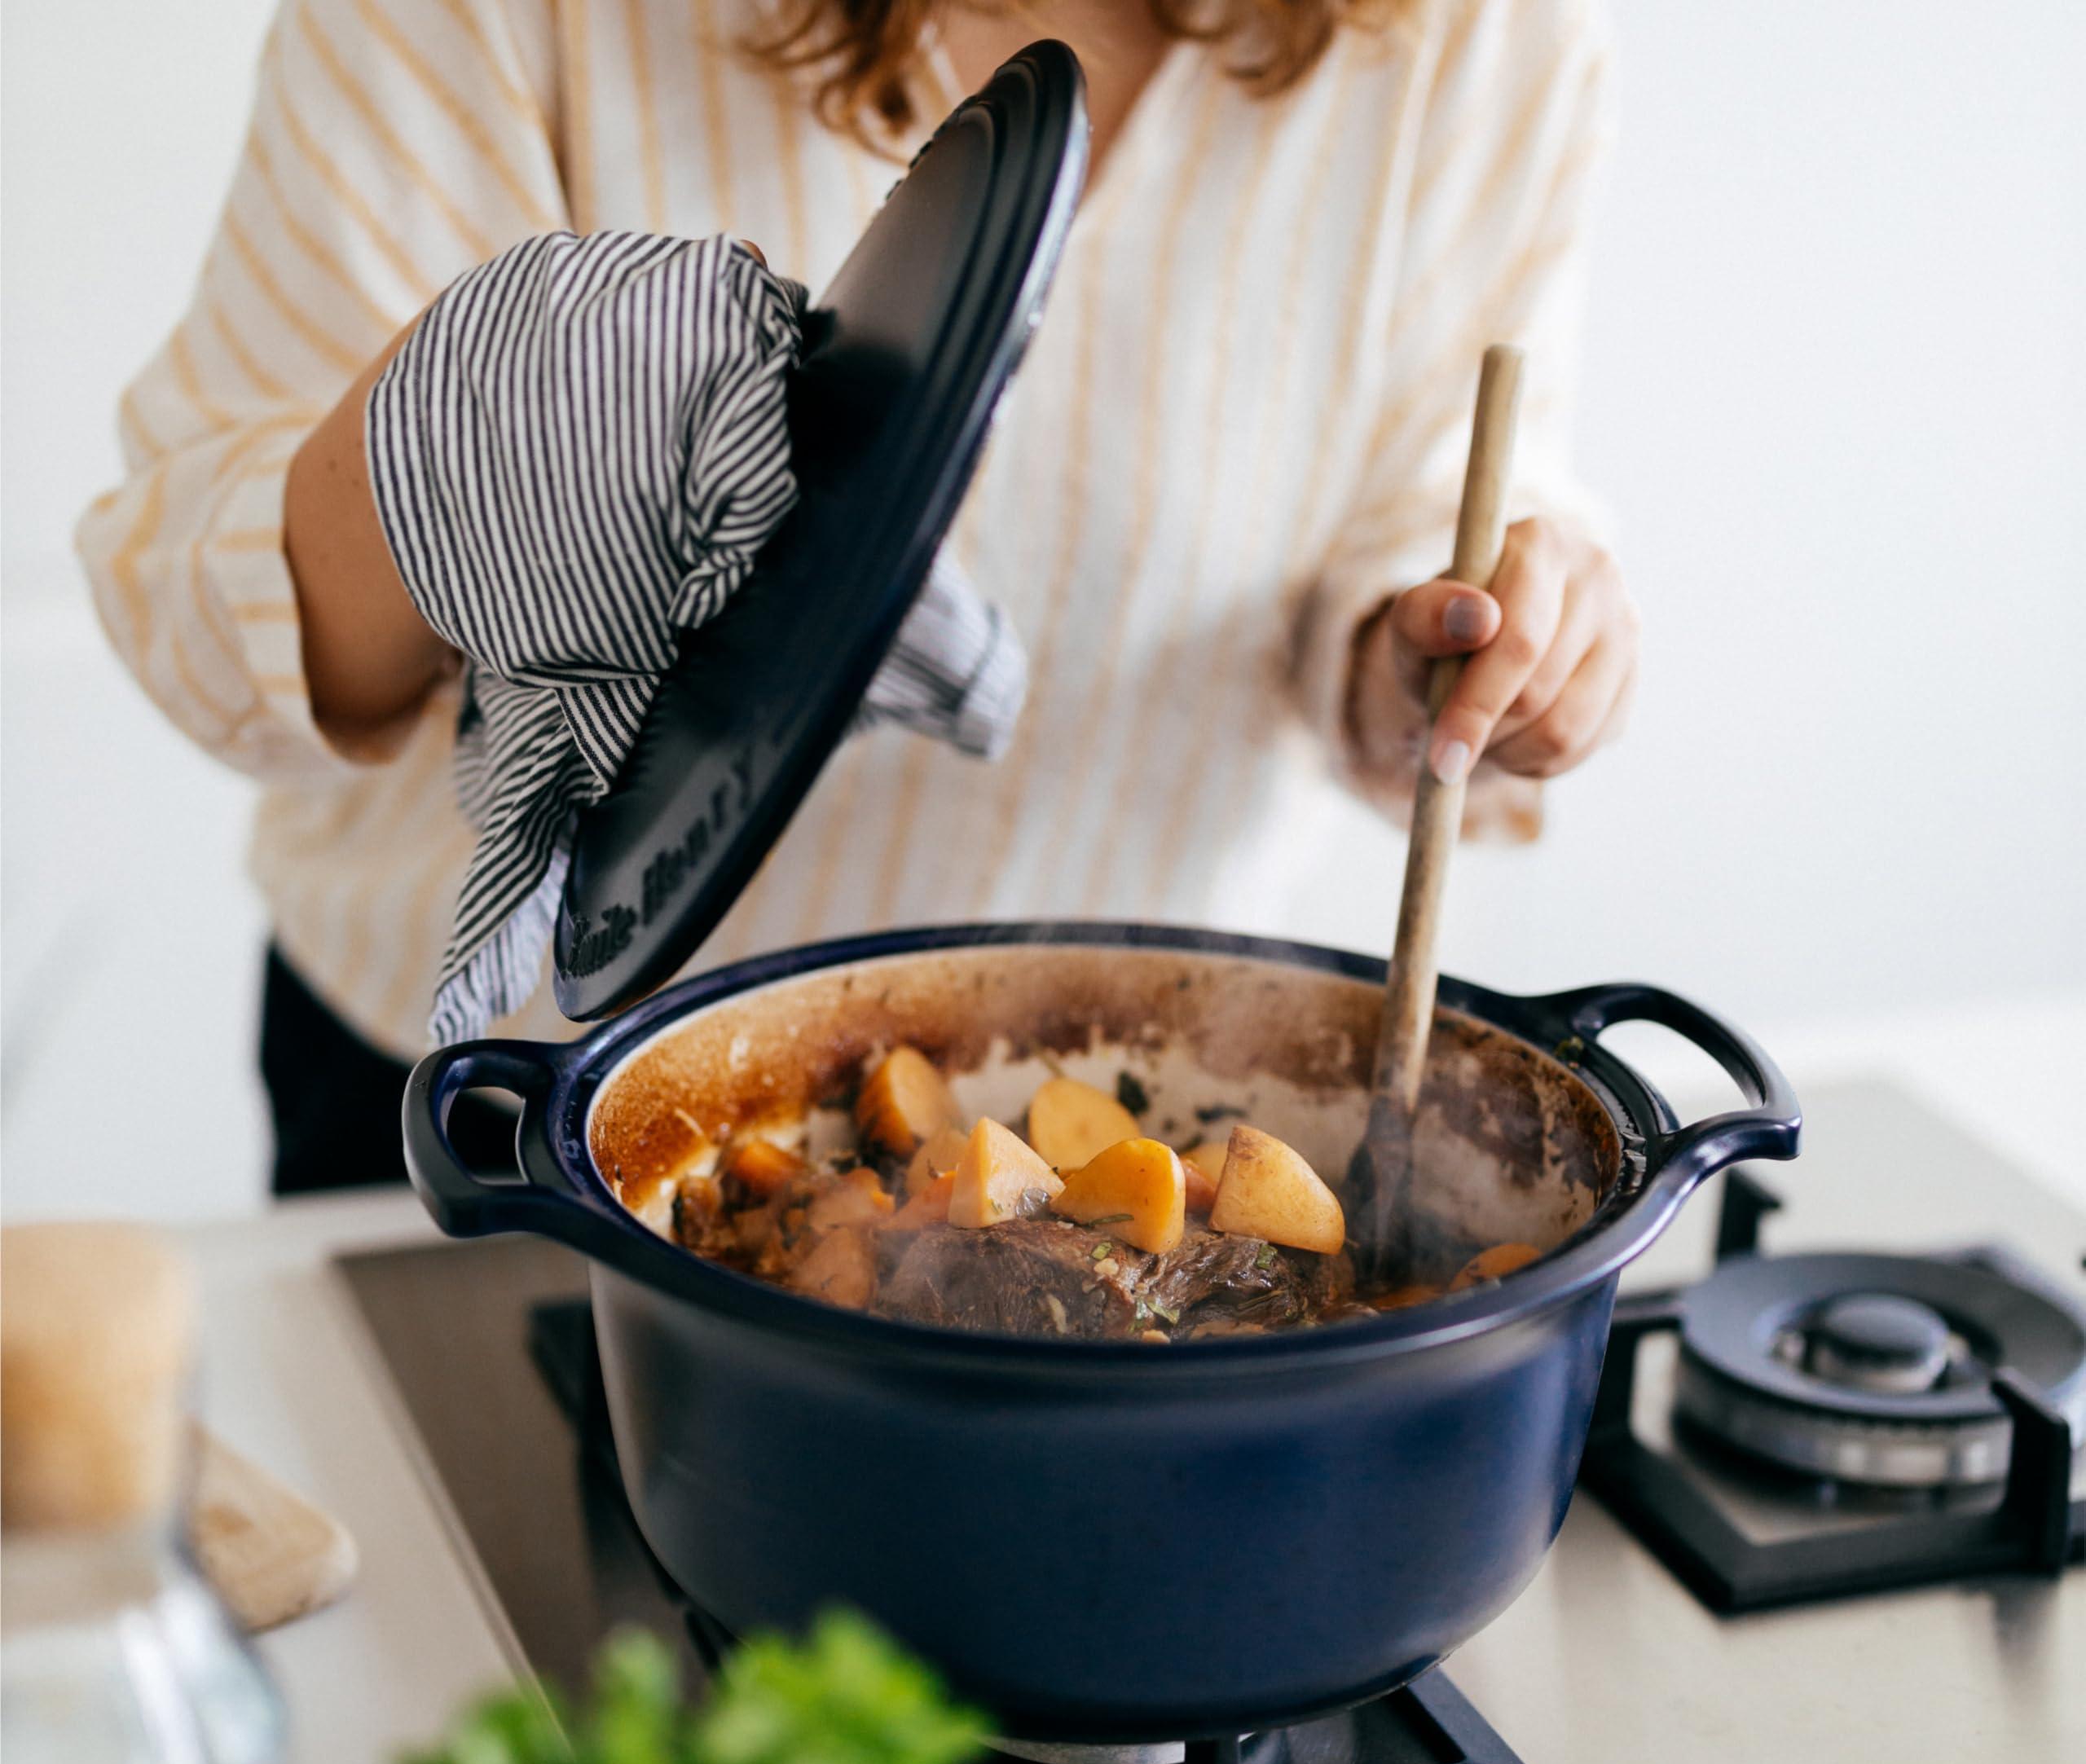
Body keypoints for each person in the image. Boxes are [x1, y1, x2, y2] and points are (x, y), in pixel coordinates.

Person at [78, 0, 1637, 1194]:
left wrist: (1453, 658)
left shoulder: (1479, 40)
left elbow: (1408, 528)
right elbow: (196, 618)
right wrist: (471, 428)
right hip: (505, 1120)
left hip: (1098, 1136)